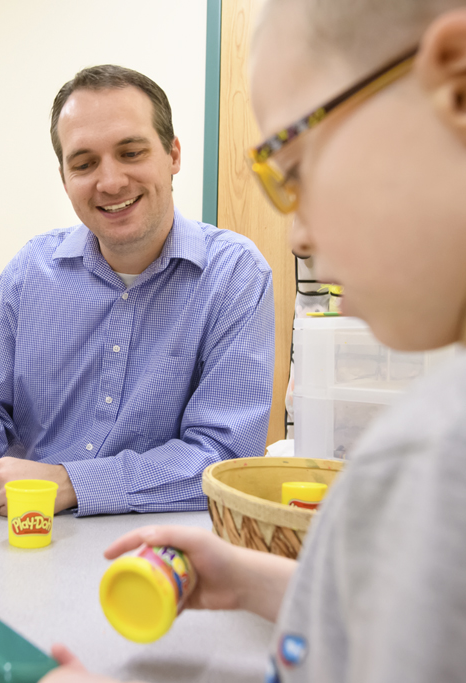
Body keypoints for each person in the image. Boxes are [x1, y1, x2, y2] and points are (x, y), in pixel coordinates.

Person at [40, 0, 466, 681]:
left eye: (297, 164)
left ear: (456, 84)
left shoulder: (431, 456)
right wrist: (252, 579)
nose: (297, 232)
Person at [0, 65, 275, 518]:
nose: (111, 182)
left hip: (162, 551)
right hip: (19, 537)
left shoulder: (235, 274)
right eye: (84, 164)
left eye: (131, 152)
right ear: (64, 177)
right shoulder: (29, 272)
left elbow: (222, 457)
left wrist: (73, 481)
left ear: (173, 155)